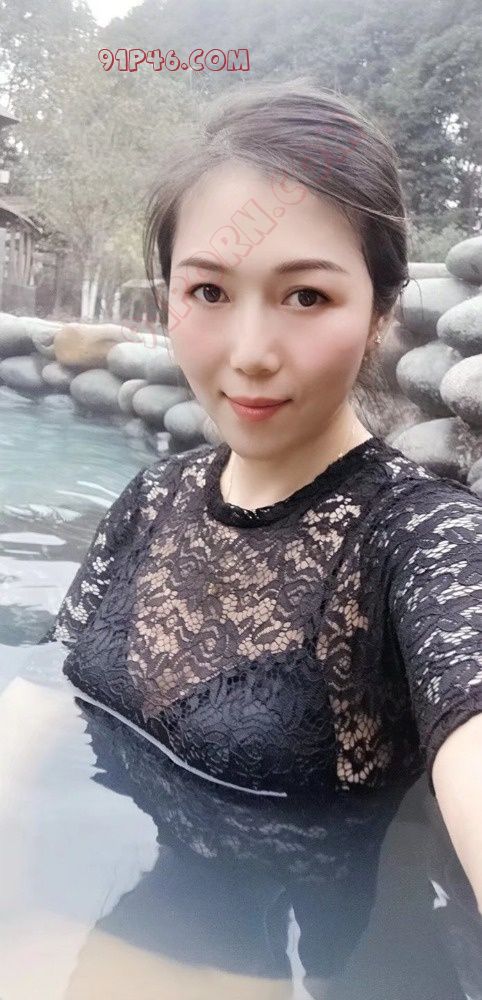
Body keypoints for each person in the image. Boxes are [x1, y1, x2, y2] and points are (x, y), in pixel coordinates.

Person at [40, 77, 482, 903]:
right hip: (103, 914)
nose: (249, 353)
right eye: (208, 291)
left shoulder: (423, 541)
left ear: (380, 313)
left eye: (306, 296)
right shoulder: (152, 498)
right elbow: (49, 702)